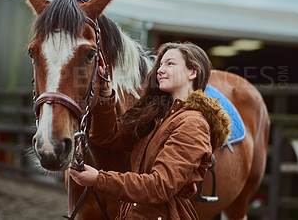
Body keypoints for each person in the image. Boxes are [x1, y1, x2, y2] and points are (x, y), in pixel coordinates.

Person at [70, 41, 231, 219]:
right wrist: (106, 94)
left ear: (193, 72)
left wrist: (98, 179)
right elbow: (106, 136)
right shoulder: (157, 117)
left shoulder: (193, 123)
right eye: (160, 64)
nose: (160, 69)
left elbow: (159, 187)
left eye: (170, 63)